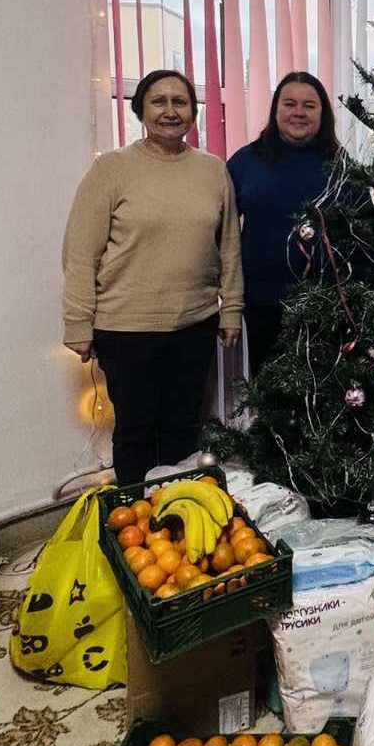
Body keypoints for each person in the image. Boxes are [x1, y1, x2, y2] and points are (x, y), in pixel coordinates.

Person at [62, 69, 243, 486]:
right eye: (159, 101)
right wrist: (77, 322)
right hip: (125, 329)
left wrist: (231, 308)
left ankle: (178, 514)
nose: (170, 111)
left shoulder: (212, 171)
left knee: (184, 429)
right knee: (135, 432)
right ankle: (133, 513)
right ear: (140, 110)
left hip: (194, 325)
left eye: (180, 102)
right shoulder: (110, 170)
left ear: (193, 112)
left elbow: (229, 246)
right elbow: (80, 253)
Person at [228, 71, 340, 372]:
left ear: (322, 114)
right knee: (264, 392)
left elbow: (360, 236)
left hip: (326, 306)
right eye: (289, 104)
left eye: (309, 105)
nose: (298, 112)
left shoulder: (340, 167)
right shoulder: (245, 162)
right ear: (276, 110)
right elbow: (221, 231)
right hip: (260, 304)